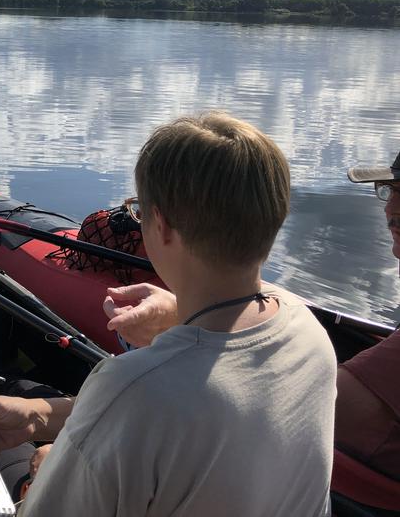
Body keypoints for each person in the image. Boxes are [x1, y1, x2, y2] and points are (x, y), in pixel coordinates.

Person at [0, 112, 337, 516]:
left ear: (162, 226)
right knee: (27, 399)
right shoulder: (308, 332)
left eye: (139, 210)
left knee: (1, 456)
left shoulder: (134, 389)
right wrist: (38, 416)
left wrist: (38, 477)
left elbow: (143, 410)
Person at [102, 150, 400, 482]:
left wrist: (188, 322)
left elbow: (308, 402)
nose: (390, 208)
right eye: (389, 190)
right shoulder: (304, 327)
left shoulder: (308, 341)